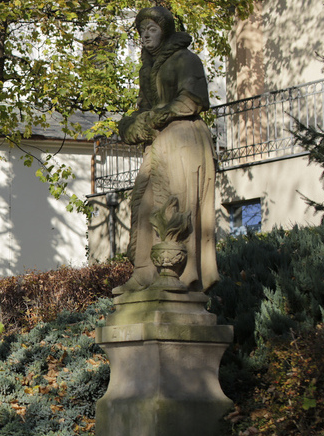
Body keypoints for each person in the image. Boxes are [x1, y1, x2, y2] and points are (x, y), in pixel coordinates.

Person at [115, 5, 219, 294]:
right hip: (158, 142)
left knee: (177, 207)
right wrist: (130, 125)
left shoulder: (186, 59)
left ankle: (182, 273)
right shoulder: (146, 69)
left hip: (184, 140)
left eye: (152, 30)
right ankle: (145, 273)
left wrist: (154, 117)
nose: (145, 36)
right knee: (145, 202)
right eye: (141, 31)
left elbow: (192, 99)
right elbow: (143, 109)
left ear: (165, 31)